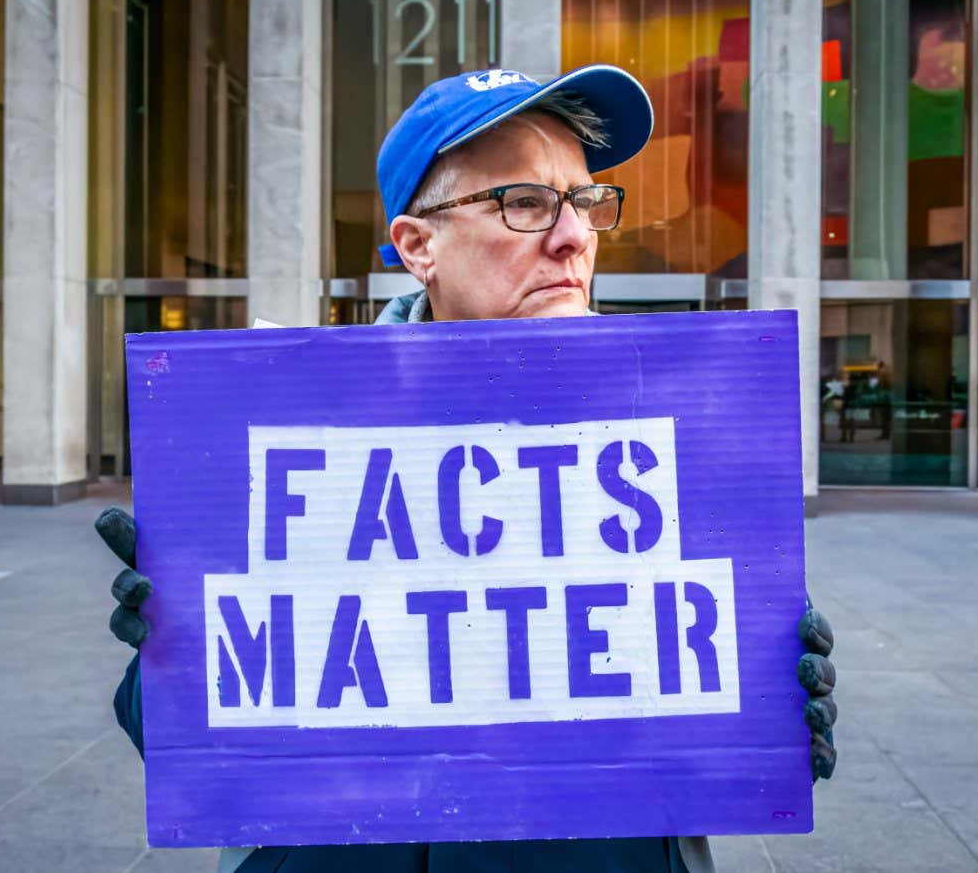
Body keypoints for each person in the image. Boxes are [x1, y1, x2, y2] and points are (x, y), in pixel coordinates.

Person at [97, 64, 838, 873]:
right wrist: (172, 647)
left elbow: (714, 713)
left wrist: (776, 703)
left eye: (585, 200)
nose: (574, 236)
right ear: (419, 246)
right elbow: (196, 745)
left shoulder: (679, 429)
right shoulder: (287, 444)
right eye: (525, 202)